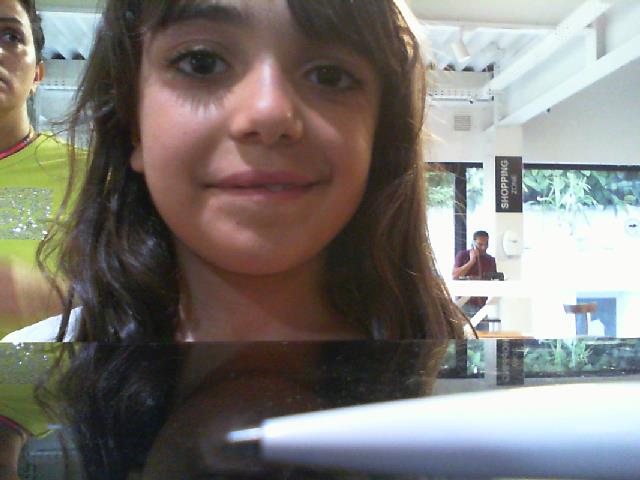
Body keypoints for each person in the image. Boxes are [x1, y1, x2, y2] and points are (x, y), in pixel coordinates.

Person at [3, 0, 468, 344]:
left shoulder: (450, 371)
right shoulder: (38, 366)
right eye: (201, 63)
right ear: (132, 124)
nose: (268, 112)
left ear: (379, 134)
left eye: (329, 75)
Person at [0, 0, 76, 338]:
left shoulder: (95, 175)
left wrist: (46, 297)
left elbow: (160, 299)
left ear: (37, 75)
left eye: (10, 36)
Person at [452, 230, 497, 321]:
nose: (484, 247)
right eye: (480, 244)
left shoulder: (490, 260)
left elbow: (494, 279)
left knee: (483, 329)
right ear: (473, 243)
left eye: (486, 244)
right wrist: (472, 261)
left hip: (481, 305)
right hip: (464, 304)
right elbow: (455, 275)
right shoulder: (463, 255)